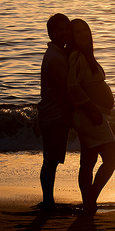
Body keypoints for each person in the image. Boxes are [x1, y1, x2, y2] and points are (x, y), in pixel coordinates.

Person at [67, 18, 115, 213]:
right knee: (113, 159)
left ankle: (88, 202)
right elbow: (72, 86)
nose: (82, 35)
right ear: (71, 37)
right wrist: (92, 109)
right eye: (77, 32)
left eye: (85, 31)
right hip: (89, 115)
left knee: (88, 162)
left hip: (90, 114)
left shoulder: (85, 56)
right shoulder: (77, 56)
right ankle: (90, 201)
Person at [36, 13, 73, 211]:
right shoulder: (55, 57)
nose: (65, 33)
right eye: (60, 30)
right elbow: (66, 89)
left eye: (67, 28)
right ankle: (48, 201)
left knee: (51, 159)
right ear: (51, 34)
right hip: (54, 115)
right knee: (51, 160)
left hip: (54, 114)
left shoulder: (58, 53)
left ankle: (48, 200)